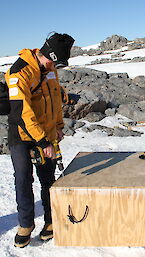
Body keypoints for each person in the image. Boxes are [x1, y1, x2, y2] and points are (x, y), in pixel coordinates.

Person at [5, 32, 74, 248]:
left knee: (48, 178)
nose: (55, 68)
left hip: (46, 132)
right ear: (47, 55)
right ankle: (25, 225)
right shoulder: (19, 72)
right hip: (22, 135)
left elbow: (55, 101)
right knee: (23, 179)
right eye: (54, 63)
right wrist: (43, 143)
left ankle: (51, 220)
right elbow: (20, 113)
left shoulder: (51, 71)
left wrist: (58, 127)